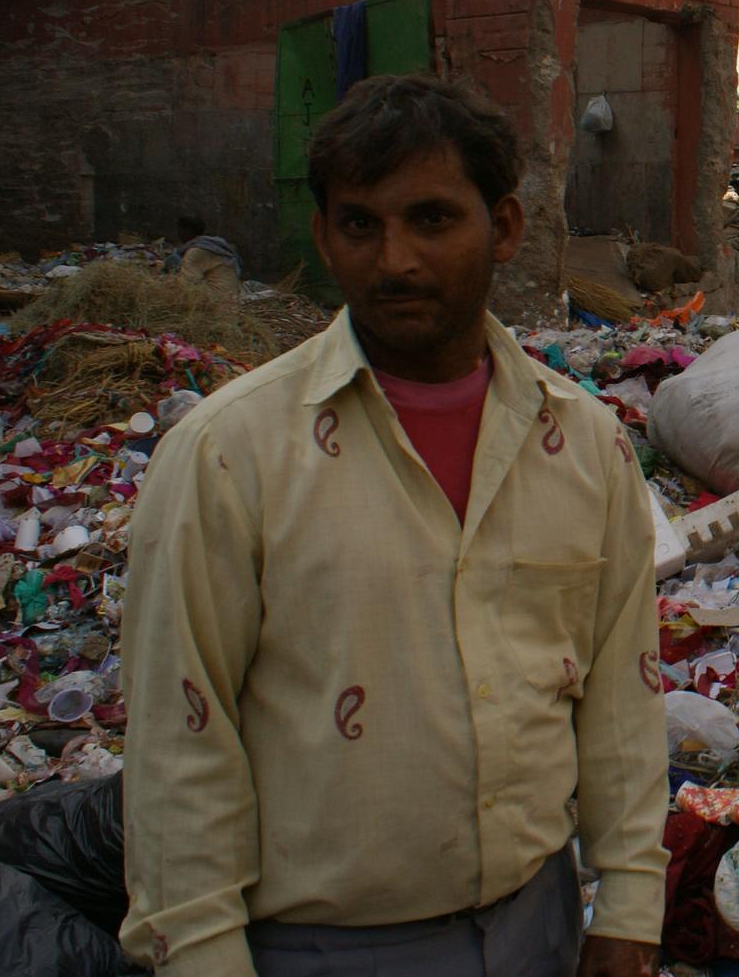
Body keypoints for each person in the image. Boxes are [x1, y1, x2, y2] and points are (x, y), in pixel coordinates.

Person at [121, 76, 666, 977]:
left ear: (504, 227)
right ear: (322, 237)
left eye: (432, 219)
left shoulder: (584, 443)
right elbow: (180, 744)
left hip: (541, 926)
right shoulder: (228, 455)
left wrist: (631, 906)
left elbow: (620, 697)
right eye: (360, 225)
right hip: (322, 950)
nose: (396, 260)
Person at [169, 216, 243, 294]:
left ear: (186, 231)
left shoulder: (195, 252)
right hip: (232, 295)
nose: (179, 234)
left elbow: (187, 283)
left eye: (180, 230)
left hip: (216, 296)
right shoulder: (214, 245)